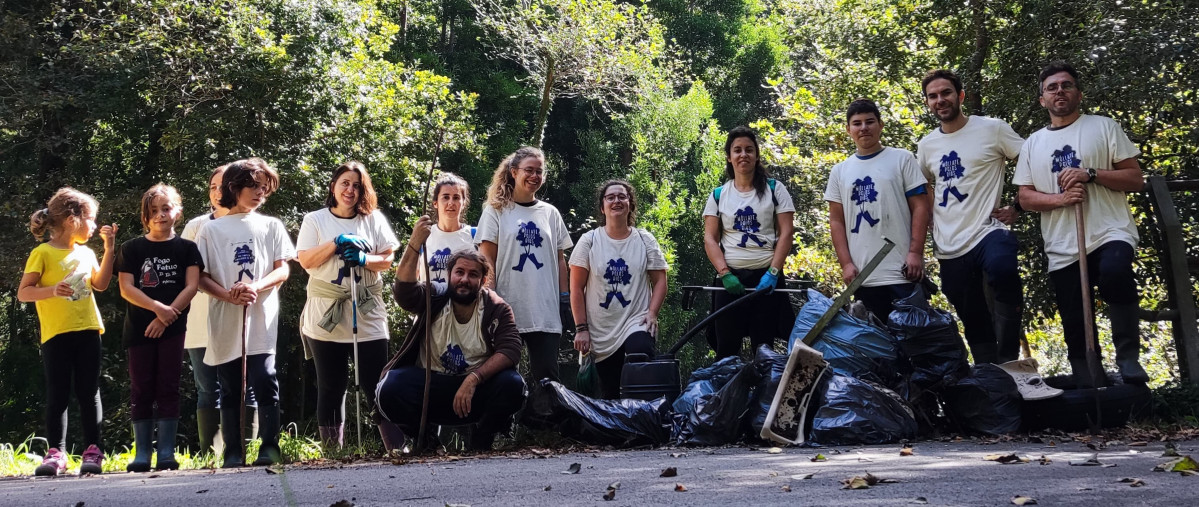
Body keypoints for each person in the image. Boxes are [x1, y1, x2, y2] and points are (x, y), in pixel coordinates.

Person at [1013, 62, 1148, 385]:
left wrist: (1091, 174)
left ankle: (1128, 357)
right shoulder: (1032, 143)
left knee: (1116, 272)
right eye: (1052, 87)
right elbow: (1026, 198)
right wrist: (1061, 200)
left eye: (1066, 85)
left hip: (1108, 230)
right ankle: (1088, 375)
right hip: (1062, 242)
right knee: (1073, 311)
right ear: (1042, 99)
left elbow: (1135, 179)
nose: (1060, 91)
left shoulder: (1103, 127)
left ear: (1079, 93)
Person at [376, 218, 526, 452]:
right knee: (390, 387)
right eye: (459, 272)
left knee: (513, 385)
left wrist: (473, 379)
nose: (465, 279)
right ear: (449, 275)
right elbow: (404, 293)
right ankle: (426, 441)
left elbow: (511, 350)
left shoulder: (496, 307)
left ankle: (481, 441)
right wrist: (414, 244)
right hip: (431, 388)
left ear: (483, 280)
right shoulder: (435, 297)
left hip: (475, 390)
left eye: (473, 274)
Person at [916, 69, 1027, 364]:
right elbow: (922, 184)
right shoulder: (927, 145)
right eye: (933, 96)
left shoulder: (992, 129)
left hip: (988, 228)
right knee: (967, 307)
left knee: (1003, 270)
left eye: (946, 93)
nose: (940, 100)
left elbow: (1031, 158)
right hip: (949, 240)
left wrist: (1019, 205)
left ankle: (1009, 356)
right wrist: (929, 217)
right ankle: (989, 370)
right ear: (928, 102)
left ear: (960, 95)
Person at [194, 158, 296, 467]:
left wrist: (255, 286)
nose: (259, 193)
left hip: (261, 316)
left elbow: (283, 270)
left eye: (263, 188)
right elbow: (199, 276)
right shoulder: (211, 229)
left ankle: (269, 445)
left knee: (264, 378)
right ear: (234, 187)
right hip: (225, 317)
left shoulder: (271, 225)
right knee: (230, 384)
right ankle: (233, 449)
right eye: (253, 186)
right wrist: (228, 294)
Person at [296, 161, 399, 449]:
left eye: (356, 185)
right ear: (333, 186)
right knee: (331, 385)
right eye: (345, 183)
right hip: (325, 312)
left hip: (366, 311)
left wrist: (365, 260)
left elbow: (389, 259)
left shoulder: (373, 219)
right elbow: (306, 261)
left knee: (376, 382)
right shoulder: (314, 220)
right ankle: (333, 452)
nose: (350, 190)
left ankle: (395, 447)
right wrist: (336, 242)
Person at [18, 187, 118, 476]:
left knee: (89, 392)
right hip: (56, 334)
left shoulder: (87, 253)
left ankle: (93, 450)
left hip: (87, 330)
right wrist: (52, 290)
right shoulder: (43, 253)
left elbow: (99, 284)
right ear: (73, 219)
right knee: (58, 393)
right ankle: (56, 453)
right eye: (91, 219)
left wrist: (110, 249)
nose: (95, 226)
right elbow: (24, 293)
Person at [116, 184, 203, 472]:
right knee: (141, 388)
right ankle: (142, 453)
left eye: (166, 209)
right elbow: (127, 288)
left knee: (168, 387)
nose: (160, 215)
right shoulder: (131, 248)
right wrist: (157, 309)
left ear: (177, 210)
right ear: (145, 216)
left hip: (173, 330)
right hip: (139, 329)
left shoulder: (187, 248)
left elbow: (192, 285)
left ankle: (166, 452)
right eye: (153, 211)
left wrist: (168, 315)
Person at [825, 99, 932, 320]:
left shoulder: (902, 159)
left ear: (880, 125)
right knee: (877, 346)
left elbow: (921, 206)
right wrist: (846, 263)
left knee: (915, 341)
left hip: (902, 271)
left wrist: (915, 252)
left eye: (869, 122)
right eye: (857, 123)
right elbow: (836, 221)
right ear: (848, 129)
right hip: (863, 275)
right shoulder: (840, 171)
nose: (863, 128)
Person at [477, 147, 573, 385]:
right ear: (513, 172)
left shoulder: (550, 213)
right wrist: (490, 299)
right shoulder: (496, 211)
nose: (534, 176)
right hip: (507, 308)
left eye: (539, 172)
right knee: (504, 380)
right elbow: (486, 258)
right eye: (529, 170)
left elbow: (560, 259)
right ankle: (505, 423)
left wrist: (564, 297)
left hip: (545, 309)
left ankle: (546, 423)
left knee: (549, 382)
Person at [180, 165, 257, 456]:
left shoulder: (254, 222)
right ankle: (207, 453)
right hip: (201, 317)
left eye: (222, 186)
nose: (217, 192)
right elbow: (187, 273)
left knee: (243, 384)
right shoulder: (197, 226)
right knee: (207, 388)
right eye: (212, 186)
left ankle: (241, 448)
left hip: (242, 317)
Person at [569, 181, 669, 399]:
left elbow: (660, 280)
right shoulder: (589, 241)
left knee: (640, 355)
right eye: (610, 197)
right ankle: (616, 432)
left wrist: (652, 313)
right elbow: (576, 287)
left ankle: (644, 426)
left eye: (622, 197)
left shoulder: (644, 239)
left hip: (636, 321)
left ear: (630, 204)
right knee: (610, 392)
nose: (616, 201)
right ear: (602, 206)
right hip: (601, 329)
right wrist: (581, 328)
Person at [703, 126, 796, 359]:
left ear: (756, 155)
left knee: (763, 348)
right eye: (737, 150)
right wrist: (724, 273)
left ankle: (764, 394)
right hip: (730, 280)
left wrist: (773, 272)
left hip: (766, 281)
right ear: (729, 156)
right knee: (726, 349)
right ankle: (726, 393)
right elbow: (710, 238)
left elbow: (786, 232)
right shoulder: (718, 194)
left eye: (749, 150)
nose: (743, 155)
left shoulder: (775, 189)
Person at [419, 173, 477, 283]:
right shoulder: (424, 236)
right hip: (430, 299)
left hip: (464, 300)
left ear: (463, 203)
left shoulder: (475, 236)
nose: (451, 203)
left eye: (456, 198)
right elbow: (411, 280)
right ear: (435, 203)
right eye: (446, 197)